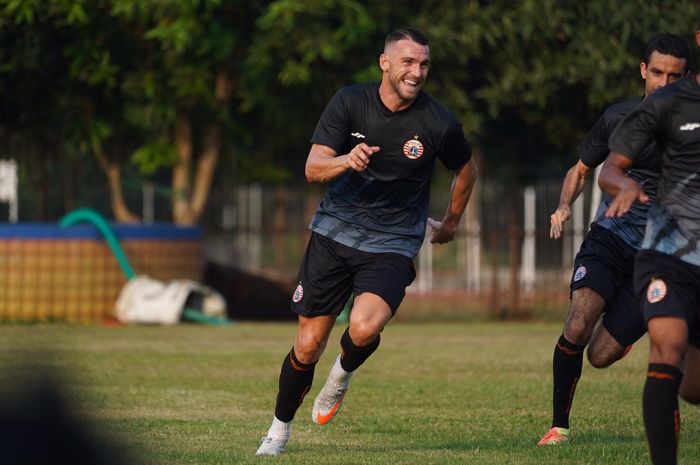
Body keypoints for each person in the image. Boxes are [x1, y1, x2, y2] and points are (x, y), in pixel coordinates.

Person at [256, 27, 478, 456]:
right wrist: (345, 159)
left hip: (393, 241)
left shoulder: (438, 122)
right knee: (307, 344)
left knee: (364, 326)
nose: (417, 71)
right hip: (334, 231)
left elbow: (466, 171)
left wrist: (451, 222)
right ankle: (278, 431)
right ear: (386, 63)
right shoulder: (350, 102)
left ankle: (340, 375)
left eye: (425, 63)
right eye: (409, 62)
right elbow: (313, 167)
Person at [538, 33, 689, 446]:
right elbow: (582, 169)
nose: (663, 83)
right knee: (579, 319)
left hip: (660, 255)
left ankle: (624, 330)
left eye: (674, 76)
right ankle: (558, 427)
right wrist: (564, 205)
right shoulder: (618, 117)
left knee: (600, 355)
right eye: (657, 72)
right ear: (644, 71)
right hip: (611, 236)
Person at [599, 27, 700, 465]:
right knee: (666, 344)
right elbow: (609, 168)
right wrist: (623, 185)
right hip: (668, 253)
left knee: (693, 388)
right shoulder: (665, 104)